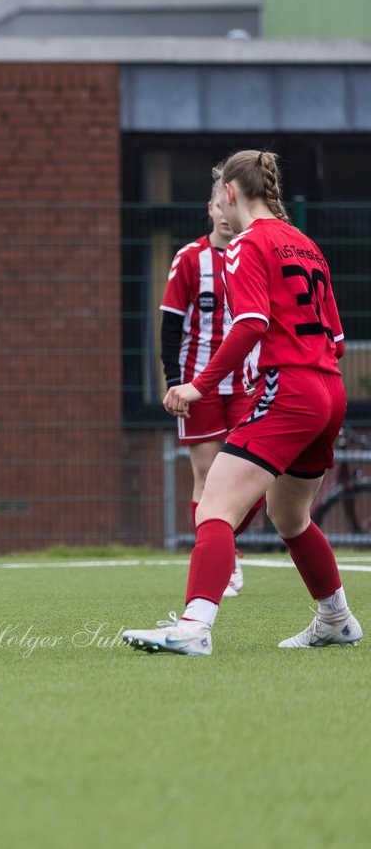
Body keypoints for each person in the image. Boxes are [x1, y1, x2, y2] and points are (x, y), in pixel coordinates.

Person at [124, 150, 361, 655]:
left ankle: (194, 626)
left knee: (214, 502)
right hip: (328, 388)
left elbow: (250, 324)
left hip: (291, 390)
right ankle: (336, 618)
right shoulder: (306, 245)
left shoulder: (245, 244)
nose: (218, 207)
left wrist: (198, 386)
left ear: (229, 194)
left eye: (218, 196)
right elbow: (337, 338)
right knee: (290, 517)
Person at [159, 180, 261, 597]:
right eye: (217, 205)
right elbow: (169, 328)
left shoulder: (253, 253)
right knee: (206, 473)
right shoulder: (189, 259)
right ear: (210, 208)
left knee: (253, 473)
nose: (223, 213)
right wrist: (173, 383)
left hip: (244, 384)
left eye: (228, 205)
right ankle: (220, 560)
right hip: (197, 383)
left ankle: (226, 545)